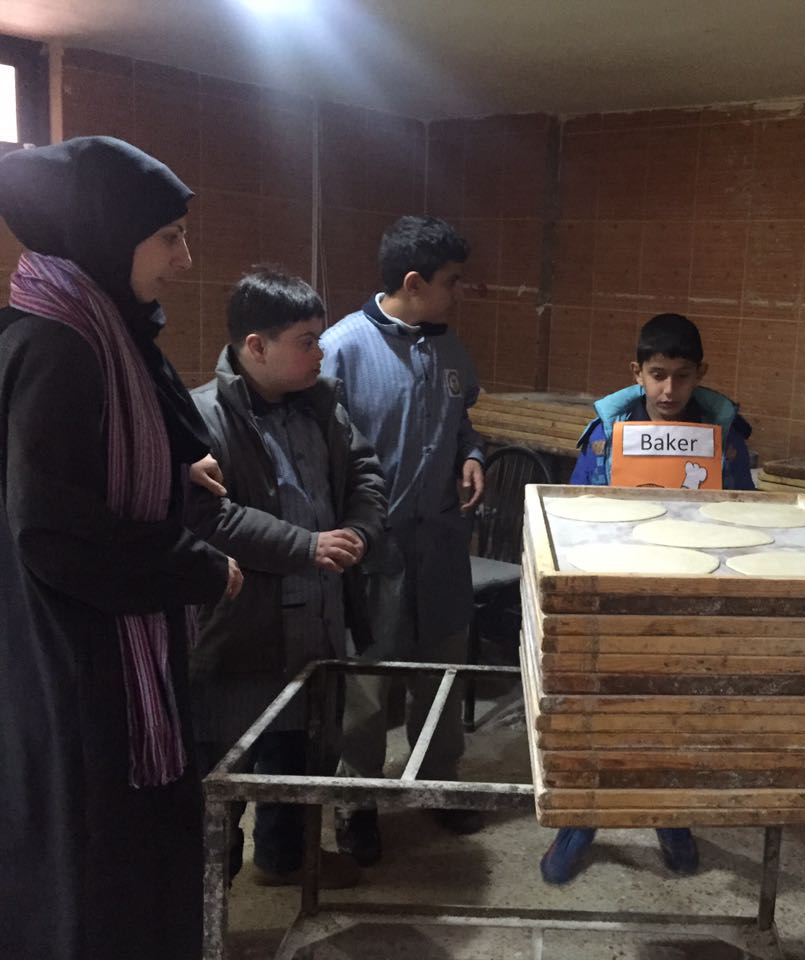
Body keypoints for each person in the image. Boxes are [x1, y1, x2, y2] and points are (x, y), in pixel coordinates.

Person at [0, 137, 242, 960]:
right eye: (168, 237)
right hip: (84, 673)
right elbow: (55, 534)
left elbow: (94, 461)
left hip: (82, 658)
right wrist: (197, 566)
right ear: (107, 235)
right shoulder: (61, 349)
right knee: (101, 877)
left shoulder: (86, 326)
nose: (184, 260)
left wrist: (171, 466)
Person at [186, 267, 387, 888]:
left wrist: (360, 530)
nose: (319, 353)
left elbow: (366, 472)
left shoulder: (321, 405)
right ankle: (209, 891)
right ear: (256, 346)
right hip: (241, 632)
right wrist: (306, 546)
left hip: (318, 620)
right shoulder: (201, 416)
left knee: (299, 756)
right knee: (223, 772)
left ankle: (284, 859)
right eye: (306, 341)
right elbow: (208, 517)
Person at [543, 312, 755, 885]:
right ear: (636, 372)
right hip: (614, 592)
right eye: (657, 374)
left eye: (682, 376)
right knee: (596, 707)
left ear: (701, 374)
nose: (668, 390)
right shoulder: (606, 434)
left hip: (692, 598)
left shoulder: (726, 439)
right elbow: (574, 509)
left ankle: (670, 814)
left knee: (677, 710)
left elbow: (748, 515)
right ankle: (582, 818)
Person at [320, 215, 485, 864]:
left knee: (442, 671)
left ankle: (439, 782)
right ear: (414, 283)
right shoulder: (341, 350)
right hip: (374, 548)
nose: (459, 294)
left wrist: (471, 454)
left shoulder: (451, 350)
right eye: (453, 282)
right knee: (366, 684)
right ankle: (356, 802)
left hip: (441, 544)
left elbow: (462, 422)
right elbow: (320, 450)